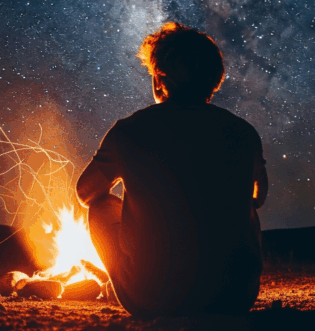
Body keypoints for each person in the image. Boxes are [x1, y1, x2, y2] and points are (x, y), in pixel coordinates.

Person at [76, 22, 268, 317]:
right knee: (247, 207)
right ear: (216, 79)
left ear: (158, 78)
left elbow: (85, 192)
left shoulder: (129, 130)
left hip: (150, 299)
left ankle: (147, 278)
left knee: (99, 204)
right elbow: (259, 197)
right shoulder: (244, 132)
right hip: (234, 298)